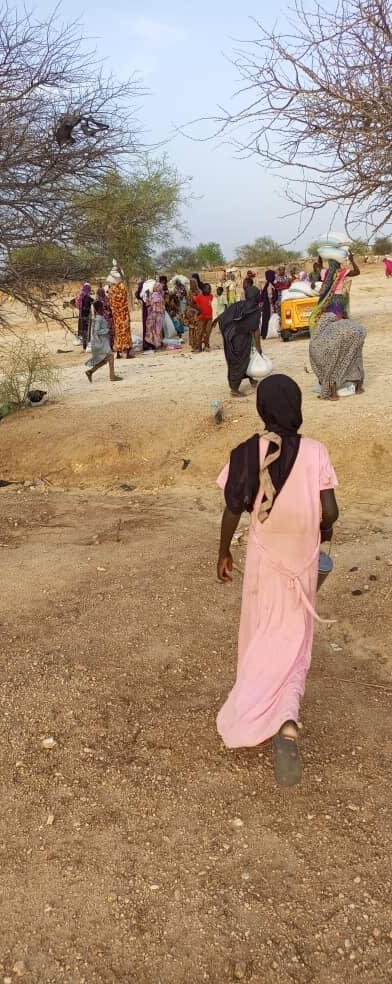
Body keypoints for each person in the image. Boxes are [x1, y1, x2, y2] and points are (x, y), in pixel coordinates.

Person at [216, 374, 339, 786]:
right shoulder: (317, 451)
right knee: (295, 643)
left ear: (263, 408)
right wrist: (324, 529)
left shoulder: (248, 452)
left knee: (261, 637)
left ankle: (250, 711)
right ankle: (287, 722)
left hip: (265, 565)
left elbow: (233, 506)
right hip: (302, 564)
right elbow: (331, 510)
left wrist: (223, 550)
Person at [213, 287, 262, 397]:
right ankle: (234, 389)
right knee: (240, 361)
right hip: (241, 339)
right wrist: (259, 348)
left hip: (230, 336)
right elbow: (256, 331)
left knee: (243, 359)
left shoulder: (239, 304)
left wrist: (227, 332)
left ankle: (251, 379)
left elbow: (224, 316)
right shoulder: (254, 310)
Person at [309, 312, 366, 400]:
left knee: (331, 369)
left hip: (341, 339)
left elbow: (324, 370)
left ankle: (334, 395)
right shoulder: (337, 324)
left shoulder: (317, 338)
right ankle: (359, 388)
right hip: (359, 331)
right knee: (356, 359)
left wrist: (323, 385)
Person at [310, 251, 360, 324]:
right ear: (338, 263)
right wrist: (352, 260)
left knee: (329, 320)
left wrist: (320, 255)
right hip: (339, 299)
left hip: (327, 299)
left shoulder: (325, 272)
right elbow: (357, 272)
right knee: (338, 319)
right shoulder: (342, 272)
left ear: (330, 263)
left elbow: (320, 266)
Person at [85, 300, 121, 384]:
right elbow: (97, 331)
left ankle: (90, 371)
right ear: (99, 308)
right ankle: (112, 376)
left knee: (106, 360)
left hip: (102, 341)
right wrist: (107, 331)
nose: (103, 309)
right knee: (110, 357)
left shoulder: (99, 318)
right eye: (102, 307)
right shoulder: (98, 319)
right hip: (100, 342)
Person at [106, 261, 133, 359]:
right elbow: (125, 296)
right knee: (125, 331)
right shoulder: (122, 287)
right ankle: (127, 352)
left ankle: (118, 352)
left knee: (118, 332)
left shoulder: (111, 289)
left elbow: (110, 302)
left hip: (116, 315)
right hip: (123, 314)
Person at [193, 283, 214, 352]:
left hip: (209, 317)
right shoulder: (199, 297)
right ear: (203, 289)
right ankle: (199, 347)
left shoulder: (211, 296)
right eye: (207, 288)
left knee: (208, 332)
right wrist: (198, 310)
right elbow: (193, 303)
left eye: (209, 288)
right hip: (201, 318)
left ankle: (206, 346)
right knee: (200, 332)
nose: (209, 290)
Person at [185, 277, 204, 351]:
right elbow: (188, 302)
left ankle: (198, 346)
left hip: (197, 313)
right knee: (192, 329)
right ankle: (194, 346)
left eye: (192, 283)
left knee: (197, 329)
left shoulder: (199, 292)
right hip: (191, 314)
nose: (191, 285)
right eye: (190, 284)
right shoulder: (190, 291)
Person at [145, 281, 165, 350]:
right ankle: (157, 344)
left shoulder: (153, 295)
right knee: (158, 329)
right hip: (159, 315)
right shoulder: (160, 295)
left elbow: (148, 304)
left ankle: (154, 344)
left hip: (153, 314)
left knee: (153, 329)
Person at [260, 269, 278, 339]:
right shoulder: (270, 284)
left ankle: (265, 334)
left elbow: (262, 295)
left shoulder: (268, 284)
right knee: (269, 318)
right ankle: (267, 333)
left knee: (267, 318)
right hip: (269, 304)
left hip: (268, 304)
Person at [76, 283, 93, 351]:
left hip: (81, 315)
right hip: (87, 315)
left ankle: (84, 346)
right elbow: (94, 302)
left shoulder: (80, 296)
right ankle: (86, 345)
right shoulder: (88, 297)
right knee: (87, 330)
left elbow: (77, 305)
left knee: (82, 329)